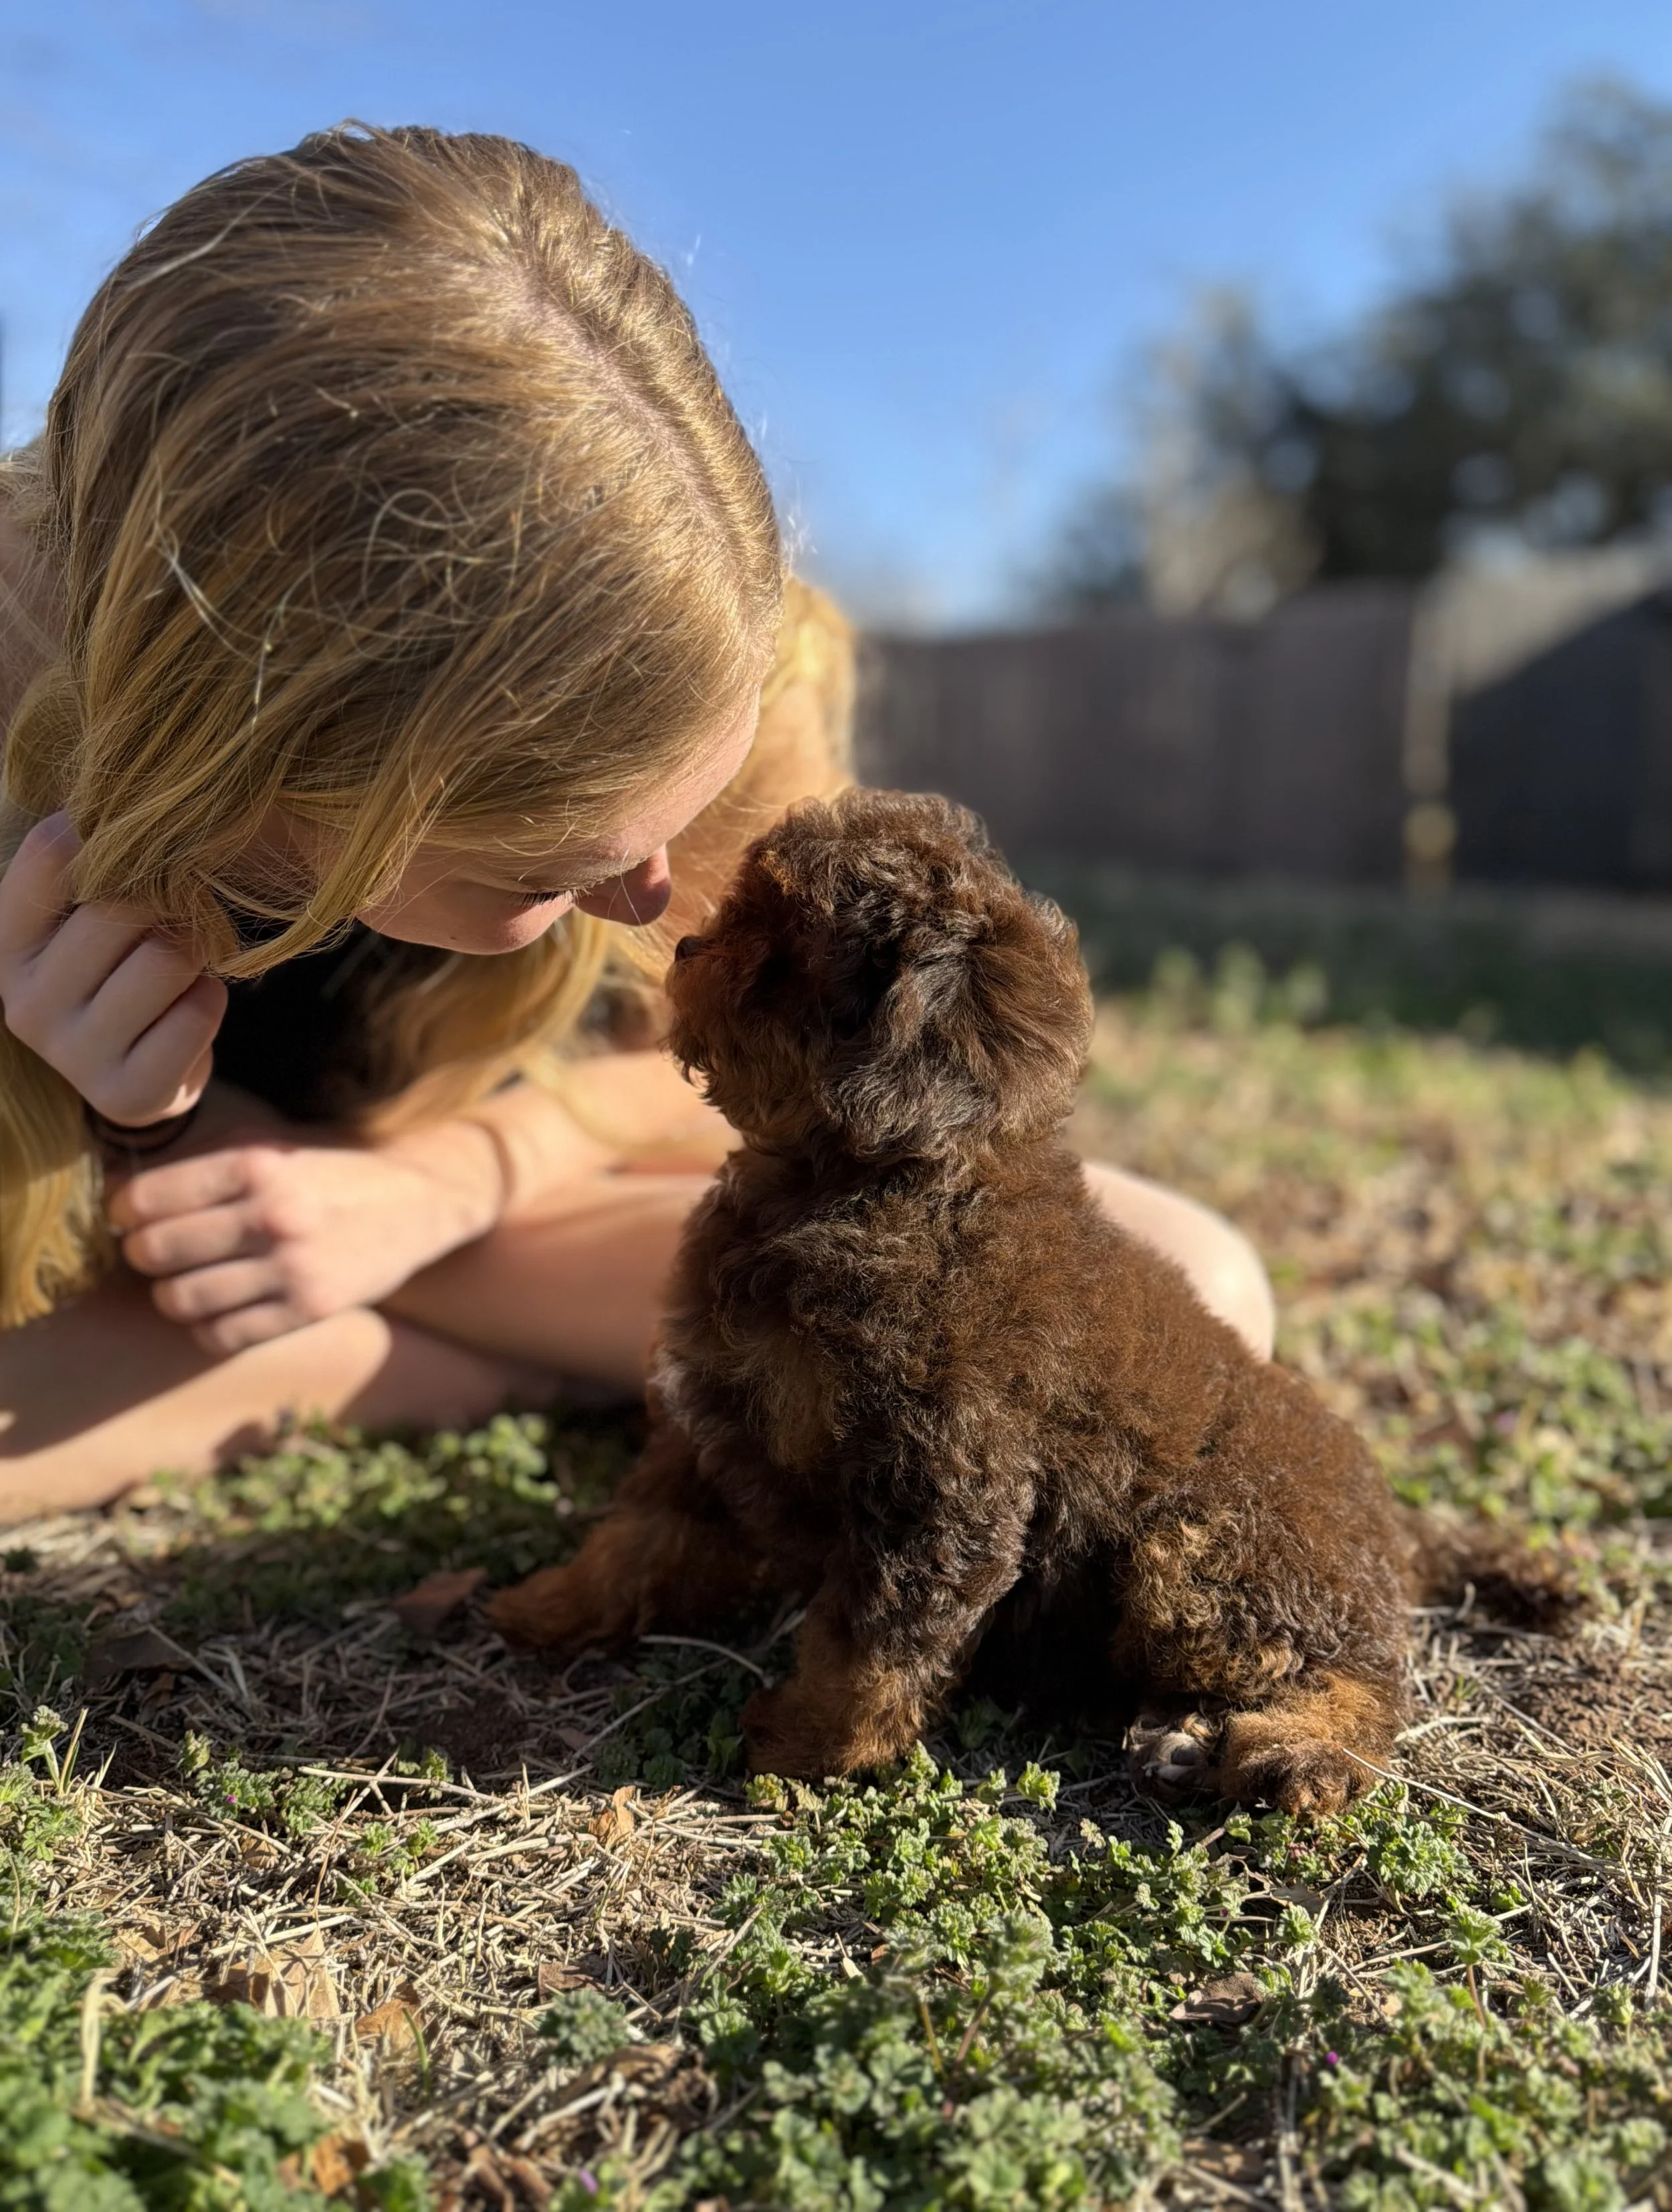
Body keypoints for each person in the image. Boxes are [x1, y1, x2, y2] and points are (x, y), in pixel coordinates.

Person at [0, 124, 1273, 1526]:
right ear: (281, 765)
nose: (658, 896)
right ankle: (424, 1373)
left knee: (1183, 1289)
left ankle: (417, 1345)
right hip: (173, 1269)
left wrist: (439, 1188)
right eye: (553, 866)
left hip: (506, 1203)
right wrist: (117, 1126)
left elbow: (748, 1062)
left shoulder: (687, 638)